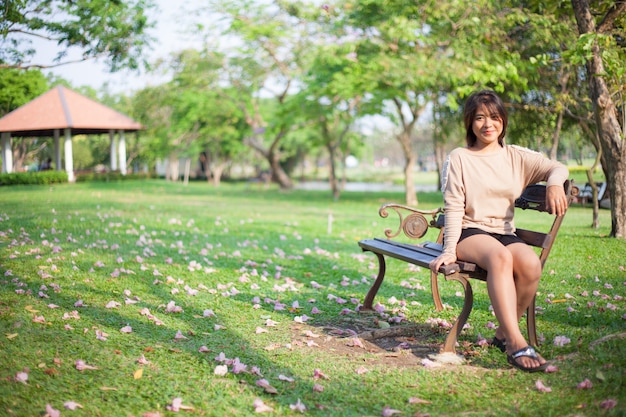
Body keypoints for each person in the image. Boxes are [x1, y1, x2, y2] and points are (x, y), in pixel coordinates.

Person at [429, 90, 569, 373]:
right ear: (470, 123)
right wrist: (448, 249)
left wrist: (554, 184)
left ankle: (504, 335)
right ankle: (516, 343)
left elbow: (557, 167)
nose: (487, 124)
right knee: (501, 258)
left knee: (530, 264)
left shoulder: (516, 156)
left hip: (503, 233)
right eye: (479, 118)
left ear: (503, 120)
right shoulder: (459, 158)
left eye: (493, 117)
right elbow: (454, 207)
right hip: (470, 233)